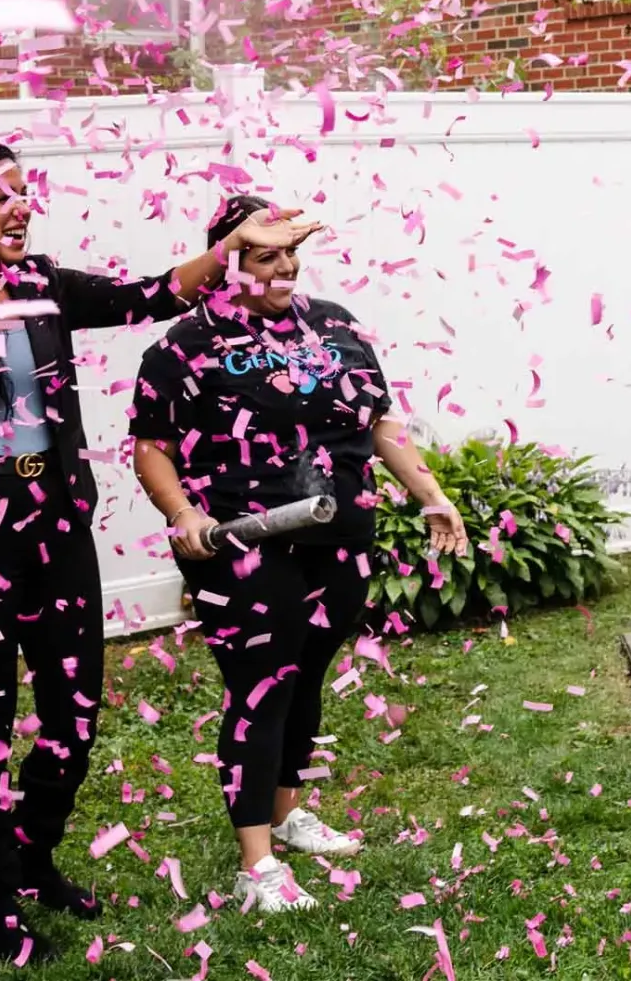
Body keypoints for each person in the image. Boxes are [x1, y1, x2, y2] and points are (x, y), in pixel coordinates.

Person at [0, 145, 317, 963]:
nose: (22, 206)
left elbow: (149, 294)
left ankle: (34, 854)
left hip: (54, 525)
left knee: (73, 720)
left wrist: (227, 248)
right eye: (2, 195)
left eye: (26, 192)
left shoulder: (43, 282)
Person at [129, 194, 468, 914]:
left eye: (288, 252)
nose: (284, 266)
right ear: (228, 258)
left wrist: (429, 493)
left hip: (340, 532)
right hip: (243, 543)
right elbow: (151, 451)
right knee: (263, 685)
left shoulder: (336, 323)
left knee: (308, 673)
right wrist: (183, 511)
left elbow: (379, 425)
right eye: (264, 254)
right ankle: (258, 863)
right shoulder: (185, 343)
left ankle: (285, 811)